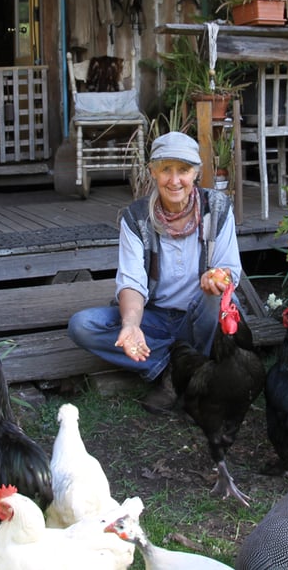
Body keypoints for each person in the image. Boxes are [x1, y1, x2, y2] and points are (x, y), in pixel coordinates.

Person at [67, 130, 242, 413]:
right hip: (157, 318)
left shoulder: (217, 208)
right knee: (82, 325)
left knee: (217, 298)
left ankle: (180, 374)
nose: (174, 180)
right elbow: (132, 283)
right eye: (165, 170)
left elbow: (229, 270)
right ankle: (174, 366)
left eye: (183, 170)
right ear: (152, 172)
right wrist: (131, 324)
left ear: (196, 173)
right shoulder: (136, 217)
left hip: (200, 318)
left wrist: (215, 280)